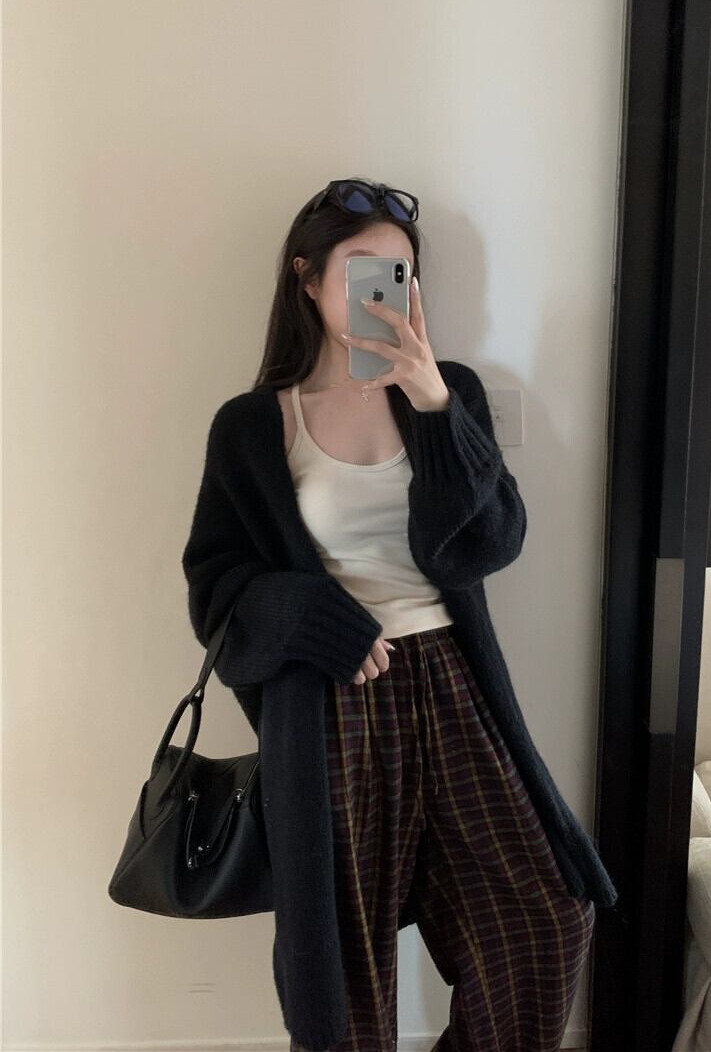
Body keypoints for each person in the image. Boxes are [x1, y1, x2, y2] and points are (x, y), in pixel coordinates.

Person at [181, 176, 619, 1052]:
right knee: (348, 969)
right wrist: (317, 619)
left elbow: (487, 545)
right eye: (364, 269)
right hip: (332, 704)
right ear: (308, 277)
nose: (387, 290)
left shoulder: (448, 395)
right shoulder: (253, 426)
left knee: (544, 919)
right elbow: (215, 586)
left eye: (401, 273)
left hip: (455, 688)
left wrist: (433, 403)